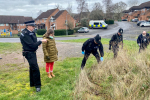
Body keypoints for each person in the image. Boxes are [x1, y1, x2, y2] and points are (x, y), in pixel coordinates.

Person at [20, 20, 47, 92]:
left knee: (32, 68)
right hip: (29, 53)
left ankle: (32, 83)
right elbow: (31, 45)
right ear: (28, 26)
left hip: (32, 52)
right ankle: (37, 86)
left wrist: (37, 43)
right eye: (32, 26)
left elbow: (34, 41)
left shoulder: (31, 32)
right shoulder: (25, 33)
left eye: (34, 26)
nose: (33, 28)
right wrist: (41, 41)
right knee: (35, 69)